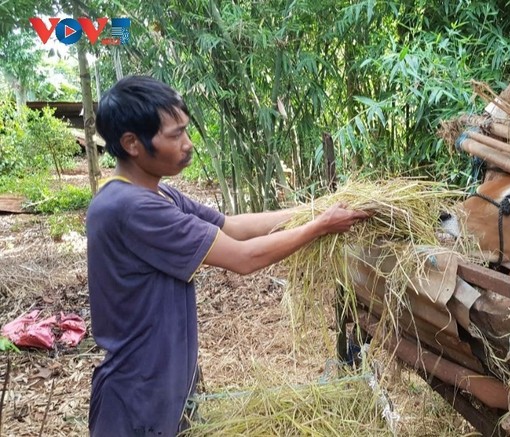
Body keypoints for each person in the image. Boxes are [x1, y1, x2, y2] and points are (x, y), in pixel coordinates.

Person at [86, 75, 369, 436]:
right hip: (138, 396)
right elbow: (242, 257)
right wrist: (319, 227)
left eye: (186, 132)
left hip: (162, 385)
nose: (187, 145)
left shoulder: (158, 194)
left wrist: (315, 211)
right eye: (175, 136)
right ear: (132, 143)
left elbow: (232, 226)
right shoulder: (131, 207)